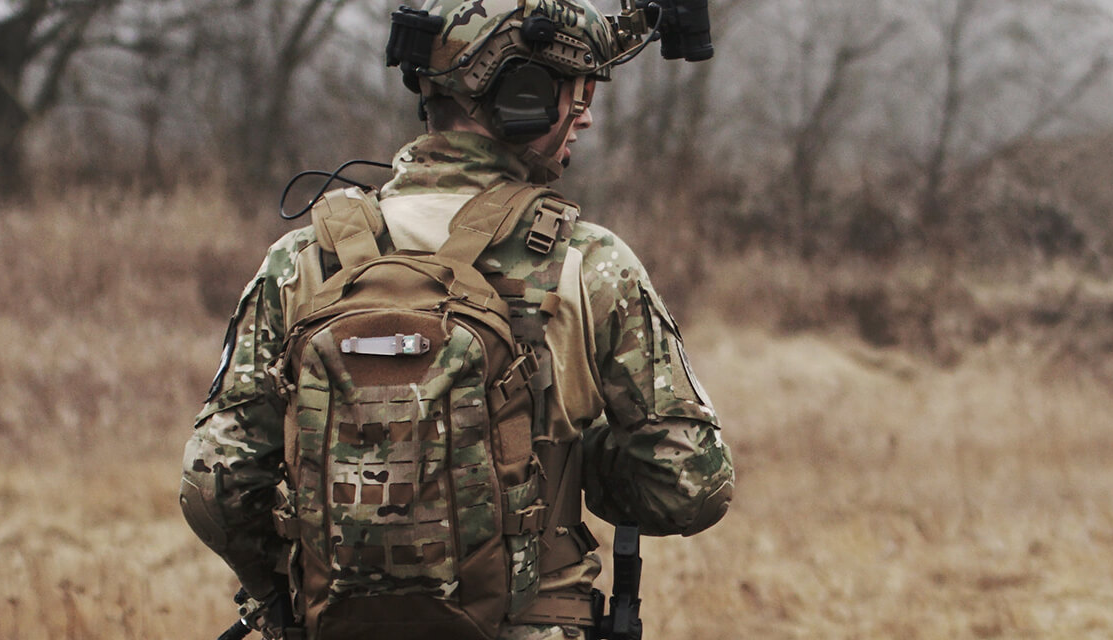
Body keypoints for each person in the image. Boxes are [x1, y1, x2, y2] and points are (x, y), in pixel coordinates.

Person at [180, 1, 733, 638]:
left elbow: (214, 483)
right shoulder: (590, 263)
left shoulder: (305, 259)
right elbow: (693, 479)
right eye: (575, 91)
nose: (584, 114)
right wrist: (569, 468)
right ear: (524, 94)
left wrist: (286, 593)